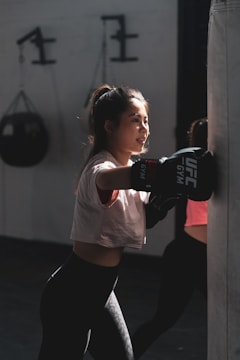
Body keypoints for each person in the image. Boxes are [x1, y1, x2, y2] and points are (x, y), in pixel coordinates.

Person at [37, 83, 212, 360]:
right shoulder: (101, 168)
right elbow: (105, 180)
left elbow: (139, 216)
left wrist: (164, 198)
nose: (144, 129)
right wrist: (165, 171)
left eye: (146, 121)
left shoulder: (132, 173)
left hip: (102, 293)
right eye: (135, 121)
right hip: (72, 294)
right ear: (109, 126)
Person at [131, 117, 209, 359]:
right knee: (163, 320)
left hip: (213, 256)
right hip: (187, 254)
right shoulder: (195, 164)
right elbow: (153, 214)